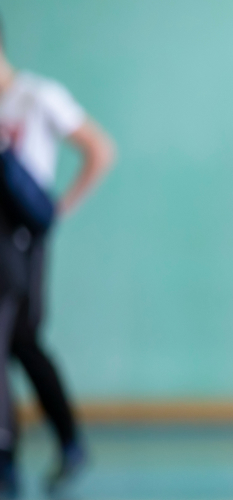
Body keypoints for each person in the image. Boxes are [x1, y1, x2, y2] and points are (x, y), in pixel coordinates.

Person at [0, 11, 116, 497]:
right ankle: (61, 440)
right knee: (19, 342)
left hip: (23, 236)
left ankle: (30, 446)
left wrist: (59, 210)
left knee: (16, 340)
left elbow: (99, 148)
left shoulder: (36, 94)